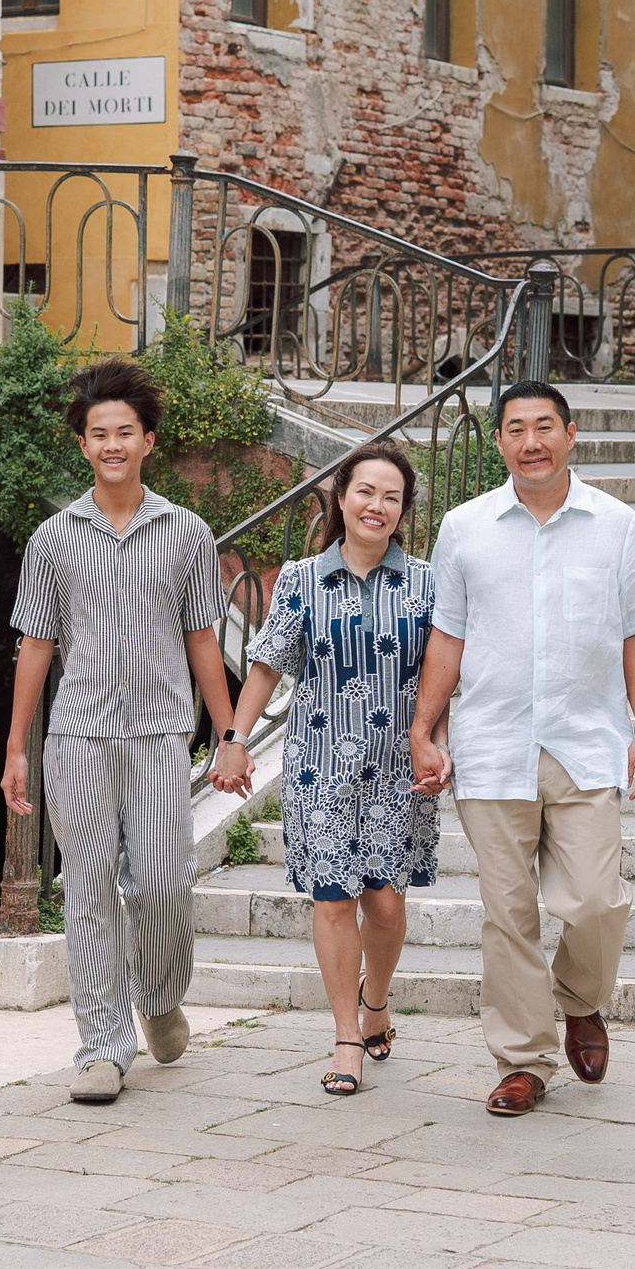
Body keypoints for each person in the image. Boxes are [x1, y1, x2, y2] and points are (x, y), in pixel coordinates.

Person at [411, 380, 635, 1117]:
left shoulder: (616, 524)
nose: (532, 442)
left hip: (586, 743)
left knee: (595, 900)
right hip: (492, 745)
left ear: (571, 434)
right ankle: (523, 1060)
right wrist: (423, 728)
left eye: (545, 426)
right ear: (498, 442)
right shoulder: (464, 527)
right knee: (508, 912)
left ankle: (581, 999)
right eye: (516, 428)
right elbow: (448, 634)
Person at [5, 357, 240, 1106]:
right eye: (99, 433)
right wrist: (16, 747)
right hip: (77, 738)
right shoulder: (52, 539)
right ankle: (102, 1047)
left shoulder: (187, 533)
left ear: (147, 441)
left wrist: (229, 734)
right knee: (89, 892)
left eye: (125, 432)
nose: (112, 444)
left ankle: (161, 996)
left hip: (160, 736)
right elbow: (36, 644)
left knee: (165, 882)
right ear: (83, 444)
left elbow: (204, 639)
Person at [213, 443, 439, 1096]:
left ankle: (376, 1001)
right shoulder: (301, 578)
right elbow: (266, 665)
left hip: (397, 766)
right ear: (342, 498)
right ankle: (346, 1037)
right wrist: (234, 740)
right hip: (320, 766)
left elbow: (443, 674)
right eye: (366, 491)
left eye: (391, 497)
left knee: (386, 904)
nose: (377, 506)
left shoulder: (426, 582)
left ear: (403, 510)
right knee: (334, 898)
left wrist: (436, 741)